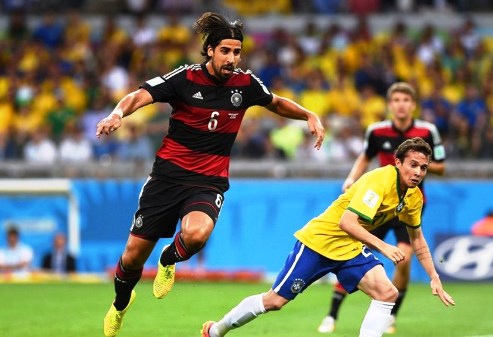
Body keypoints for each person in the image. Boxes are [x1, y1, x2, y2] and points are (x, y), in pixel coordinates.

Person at [96, 12, 324, 337]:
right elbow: (140, 95)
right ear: (210, 51)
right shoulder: (184, 79)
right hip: (167, 178)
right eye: (226, 51)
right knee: (131, 259)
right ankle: (120, 304)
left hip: (208, 181)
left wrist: (308, 114)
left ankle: (169, 257)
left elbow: (275, 103)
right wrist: (118, 113)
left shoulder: (245, 84)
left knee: (197, 234)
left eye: (237, 52)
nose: (232, 58)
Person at [201, 137, 455, 337]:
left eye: (423, 167)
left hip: (350, 248)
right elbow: (347, 222)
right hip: (318, 242)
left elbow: (417, 239)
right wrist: (383, 246)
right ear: (397, 163)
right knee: (274, 301)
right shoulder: (379, 181)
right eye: (413, 165)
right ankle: (216, 330)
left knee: (387, 292)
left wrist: (434, 276)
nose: (419, 172)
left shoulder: (413, 197)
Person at [318, 81, 446, 334]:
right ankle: (332, 315)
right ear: (389, 105)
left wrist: (415, 165)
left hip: (408, 204)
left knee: (405, 260)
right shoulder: (377, 131)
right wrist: (351, 178)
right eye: (396, 100)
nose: (401, 105)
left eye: (406, 100)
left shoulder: (427, 130)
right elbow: (365, 156)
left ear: (413, 105)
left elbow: (441, 166)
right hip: (376, 205)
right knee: (350, 249)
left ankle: (391, 315)